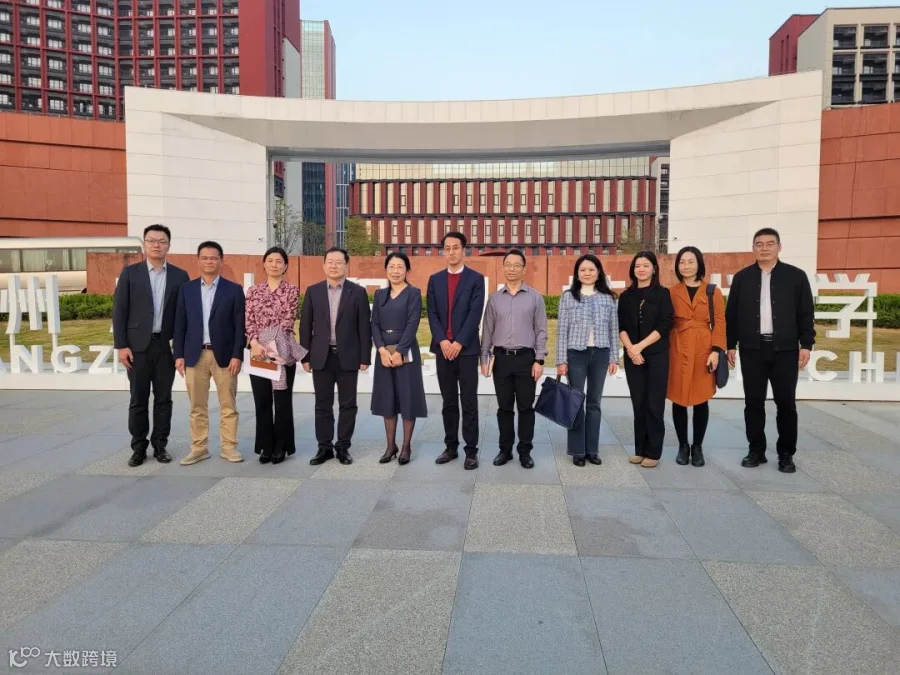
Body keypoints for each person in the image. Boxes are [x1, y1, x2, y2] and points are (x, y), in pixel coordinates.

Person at [726, 228, 815, 474]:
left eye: (769, 243)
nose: (764, 248)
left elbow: (806, 313)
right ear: (753, 248)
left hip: (785, 350)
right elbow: (731, 315)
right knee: (753, 402)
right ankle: (756, 450)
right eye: (759, 244)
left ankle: (786, 454)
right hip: (752, 349)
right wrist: (730, 344)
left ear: (779, 247)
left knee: (786, 403)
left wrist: (806, 344)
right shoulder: (742, 278)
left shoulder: (795, 276)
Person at [113, 224, 190, 468]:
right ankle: (138, 448)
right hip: (137, 347)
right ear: (145, 244)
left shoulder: (180, 275)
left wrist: (181, 350)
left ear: (169, 245)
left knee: (163, 399)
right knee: (138, 398)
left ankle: (160, 445)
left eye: (162, 241)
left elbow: (184, 316)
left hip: (165, 346)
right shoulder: (130, 273)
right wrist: (121, 345)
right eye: (152, 240)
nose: (157, 245)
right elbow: (120, 311)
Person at [173, 241, 246, 466]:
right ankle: (199, 448)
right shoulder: (187, 289)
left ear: (221, 261)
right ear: (198, 260)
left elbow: (239, 326)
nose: (209, 261)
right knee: (197, 407)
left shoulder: (233, 290)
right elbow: (180, 324)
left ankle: (229, 447)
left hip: (224, 356)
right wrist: (178, 355)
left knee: (228, 406)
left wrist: (237, 355)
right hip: (194, 355)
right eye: (204, 257)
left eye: (214, 258)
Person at [299, 247, 372, 466]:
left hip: (348, 356)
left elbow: (364, 327)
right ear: (324, 265)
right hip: (321, 356)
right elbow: (305, 326)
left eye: (338, 262)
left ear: (346, 265)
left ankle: (343, 447)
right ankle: (324, 447)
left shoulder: (357, 292)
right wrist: (305, 356)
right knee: (322, 404)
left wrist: (365, 357)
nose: (334, 266)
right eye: (330, 262)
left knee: (348, 404)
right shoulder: (313, 291)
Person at [481, 249, 548, 469]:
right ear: (503, 267)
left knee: (526, 408)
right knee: (504, 408)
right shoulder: (494, 299)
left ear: (524, 269)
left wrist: (539, 360)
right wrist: (484, 357)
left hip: (526, 359)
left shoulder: (535, 298)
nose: (512, 268)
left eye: (517, 265)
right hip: (501, 359)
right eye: (508, 264)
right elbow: (487, 330)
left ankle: (525, 451)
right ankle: (505, 450)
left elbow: (541, 330)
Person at [426, 232, 485, 470]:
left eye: (455, 248)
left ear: (464, 250)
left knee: (469, 402)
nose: (451, 252)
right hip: (443, 350)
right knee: (448, 401)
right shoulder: (435, 279)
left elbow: (475, 313)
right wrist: (442, 340)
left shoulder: (475, 279)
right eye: (447, 248)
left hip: (466, 350)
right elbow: (432, 313)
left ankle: (471, 451)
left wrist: (459, 342)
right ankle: (451, 447)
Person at [556, 254, 620, 466]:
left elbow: (613, 329)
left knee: (594, 403)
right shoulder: (568, 297)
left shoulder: (608, 298)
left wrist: (614, 358)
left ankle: (592, 450)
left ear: (599, 272)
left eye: (591, 269)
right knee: (576, 402)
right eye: (582, 270)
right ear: (577, 273)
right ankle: (577, 450)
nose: (587, 273)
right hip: (576, 355)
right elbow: (561, 330)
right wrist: (561, 360)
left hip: (600, 354)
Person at [245, 247, 304, 465]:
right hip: (258, 352)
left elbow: (288, 320)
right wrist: (254, 343)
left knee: (282, 401)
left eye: (279, 261)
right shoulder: (253, 291)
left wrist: (272, 346)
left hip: (282, 350)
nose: (274, 264)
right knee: (262, 401)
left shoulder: (292, 290)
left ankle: (281, 446)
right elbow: (249, 320)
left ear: (285, 266)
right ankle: (265, 446)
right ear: (264, 264)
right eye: (270, 260)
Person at [667, 246, 725, 468]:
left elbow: (719, 322)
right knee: (679, 397)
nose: (686, 266)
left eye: (691, 261)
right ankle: (683, 445)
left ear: (699, 264)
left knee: (701, 398)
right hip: (678, 347)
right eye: (682, 262)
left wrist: (716, 350)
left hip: (703, 348)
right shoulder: (672, 291)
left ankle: (697, 446)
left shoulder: (712, 291)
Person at [618, 251, 674, 468]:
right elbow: (621, 326)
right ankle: (640, 450)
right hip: (633, 357)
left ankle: (653, 452)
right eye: (637, 266)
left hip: (657, 355)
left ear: (654, 269)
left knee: (654, 405)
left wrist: (639, 347)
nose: (641, 269)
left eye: (645, 265)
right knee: (639, 404)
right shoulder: (626, 296)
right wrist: (632, 349)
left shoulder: (662, 294)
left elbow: (665, 324)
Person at [371, 252, 428, 465]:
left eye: (400, 267)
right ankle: (390, 446)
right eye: (392, 267)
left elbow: (413, 323)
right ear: (386, 270)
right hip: (384, 354)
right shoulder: (379, 295)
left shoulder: (413, 293)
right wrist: (382, 350)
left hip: (406, 352)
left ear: (407, 270)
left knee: (407, 397)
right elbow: (374, 323)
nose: (395, 271)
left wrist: (399, 351)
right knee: (388, 398)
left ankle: (405, 446)